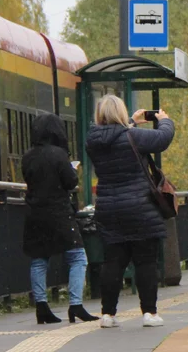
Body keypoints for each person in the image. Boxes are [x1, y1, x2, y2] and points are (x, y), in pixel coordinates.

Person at [86, 95, 175, 329]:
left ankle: (108, 314)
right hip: (139, 207)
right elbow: (163, 138)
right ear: (121, 113)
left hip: (108, 208)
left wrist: (132, 123)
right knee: (145, 261)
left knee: (113, 262)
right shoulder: (133, 136)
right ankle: (149, 313)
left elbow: (116, 139)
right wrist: (164, 120)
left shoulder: (92, 141)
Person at [21, 113, 98, 325]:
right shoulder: (59, 155)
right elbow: (70, 182)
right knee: (77, 257)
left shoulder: (28, 156)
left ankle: (42, 307)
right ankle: (75, 305)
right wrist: (71, 168)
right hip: (59, 214)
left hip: (34, 214)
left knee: (39, 260)